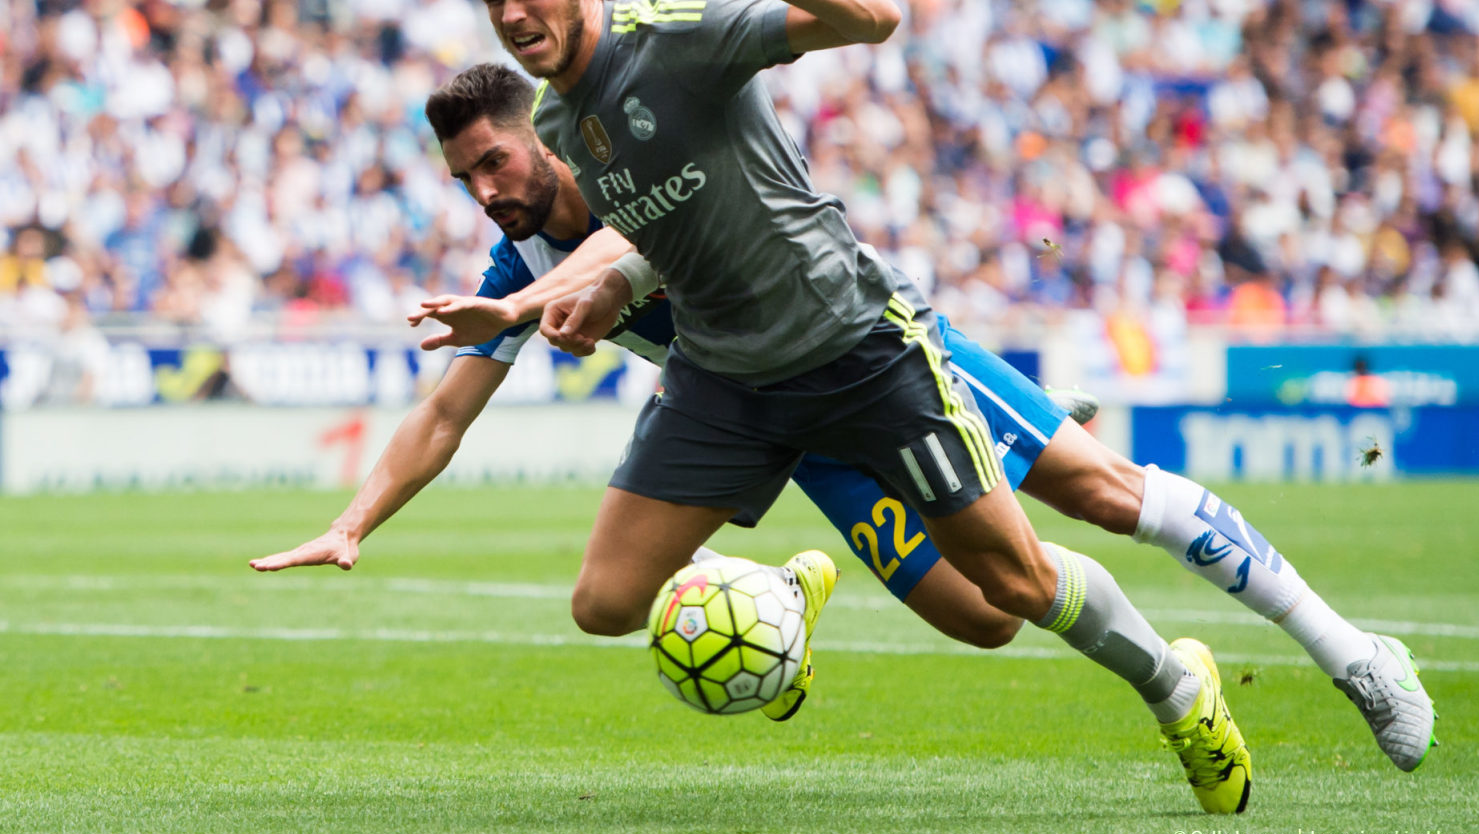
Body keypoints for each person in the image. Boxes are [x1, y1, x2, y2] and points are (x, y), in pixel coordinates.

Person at [480, 0, 1435, 795]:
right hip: (728, 379)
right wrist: (611, 285)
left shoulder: (680, 39)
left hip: (855, 345)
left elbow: (873, 17)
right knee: (605, 602)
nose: (514, 13)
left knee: (1053, 541)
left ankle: (1336, 656)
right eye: (494, 0)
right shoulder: (561, 115)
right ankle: (888, 528)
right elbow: (678, 218)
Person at [249, 62, 1101, 713]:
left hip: (860, 360)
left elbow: (639, 232)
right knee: (989, 622)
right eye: (464, 179)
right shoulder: (518, 266)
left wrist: (520, 304)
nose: (483, 192)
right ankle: (792, 585)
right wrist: (349, 523)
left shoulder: (638, 179)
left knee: (1015, 581)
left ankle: (1018, 437)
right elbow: (442, 414)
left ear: (546, 136)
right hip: (765, 418)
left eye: (494, 163)